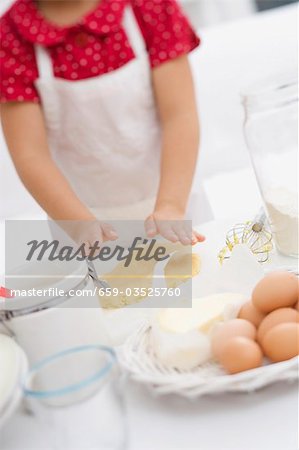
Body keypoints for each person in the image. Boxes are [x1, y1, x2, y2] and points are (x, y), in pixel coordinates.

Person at [0, 0, 205, 248]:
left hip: (176, 205)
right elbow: (30, 155)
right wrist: (79, 223)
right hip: (81, 226)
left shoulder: (150, 6)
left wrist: (171, 205)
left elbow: (179, 116)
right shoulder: (9, 38)